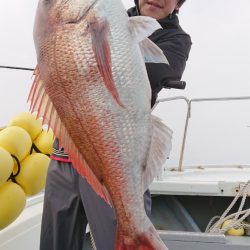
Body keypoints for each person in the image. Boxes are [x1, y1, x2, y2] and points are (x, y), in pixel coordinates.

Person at [40, 0, 192, 249]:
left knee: (118, 234)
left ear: (178, 5)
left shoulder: (177, 38)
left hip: (116, 157)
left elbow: (157, 73)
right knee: (55, 241)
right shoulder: (111, 15)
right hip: (63, 154)